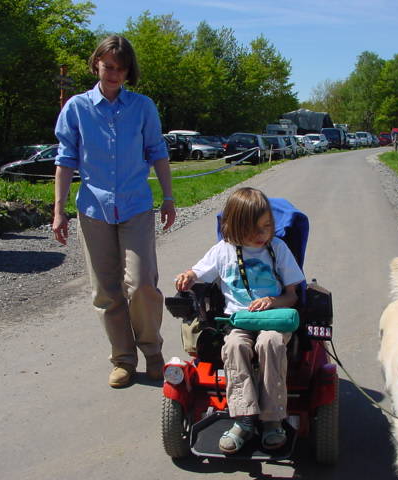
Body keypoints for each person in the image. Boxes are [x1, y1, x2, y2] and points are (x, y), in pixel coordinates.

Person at [52, 35, 176, 388]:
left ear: (128, 71)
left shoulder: (142, 107)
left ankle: (152, 351)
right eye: (108, 66)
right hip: (94, 209)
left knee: (141, 284)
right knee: (106, 291)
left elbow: (157, 152)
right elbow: (65, 160)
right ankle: (123, 359)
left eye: (121, 68)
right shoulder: (76, 108)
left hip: (136, 206)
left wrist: (168, 197)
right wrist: (59, 210)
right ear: (96, 64)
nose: (114, 74)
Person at [175, 187, 305, 454]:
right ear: (234, 227)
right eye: (254, 229)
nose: (262, 235)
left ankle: (271, 419)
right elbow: (198, 272)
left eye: (267, 227)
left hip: (273, 319)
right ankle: (244, 418)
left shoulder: (277, 248)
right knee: (234, 346)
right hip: (238, 321)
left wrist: (273, 301)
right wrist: (188, 276)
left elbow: (292, 295)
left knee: (270, 343)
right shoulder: (223, 251)